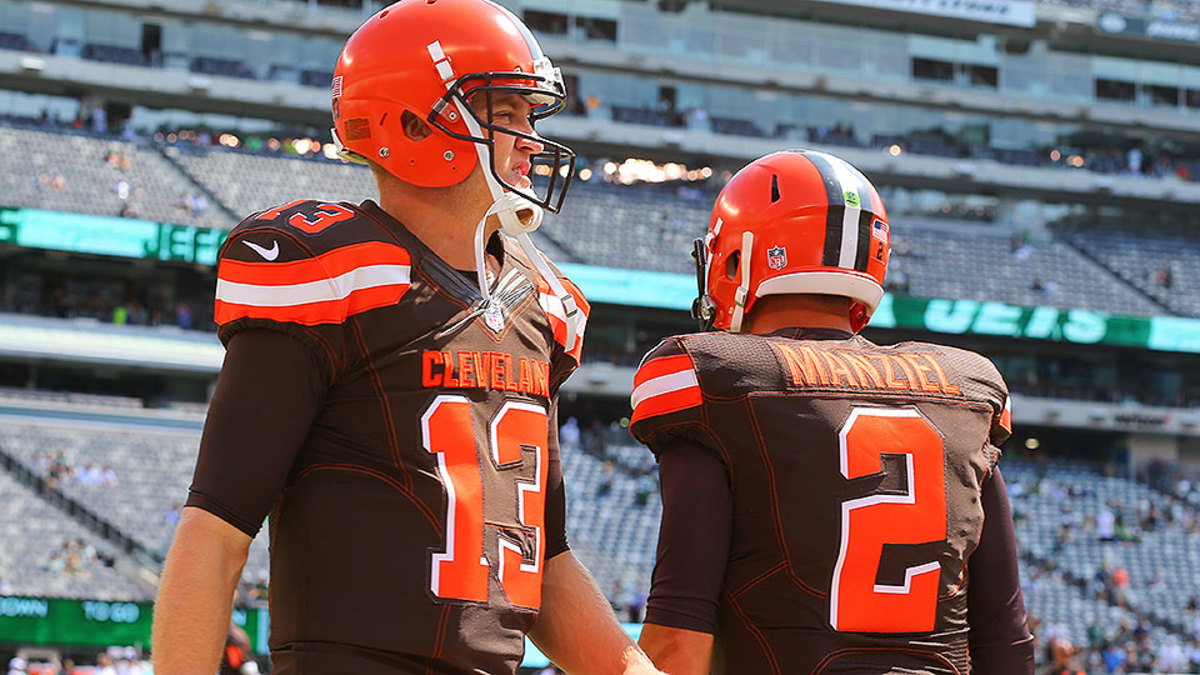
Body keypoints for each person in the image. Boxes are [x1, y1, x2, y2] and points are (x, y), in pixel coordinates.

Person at [153, 2, 659, 673]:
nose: (532, 139)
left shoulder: (541, 306)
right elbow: (214, 531)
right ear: (416, 123)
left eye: (531, 116)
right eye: (505, 114)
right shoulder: (333, 273)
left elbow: (550, 563)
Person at [628, 150, 1034, 674]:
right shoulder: (966, 388)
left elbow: (678, 635)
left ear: (734, 259)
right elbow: (1006, 640)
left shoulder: (718, 375)